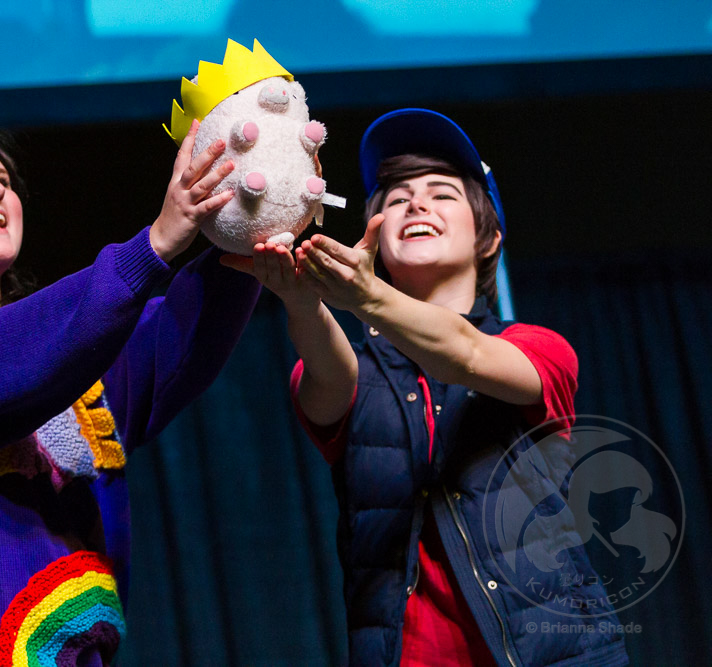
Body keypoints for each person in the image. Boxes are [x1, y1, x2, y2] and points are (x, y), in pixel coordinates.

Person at [0, 122, 260, 666]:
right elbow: (3, 360)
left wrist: (254, 223)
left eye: (3, 180)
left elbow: (177, 334)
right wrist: (152, 246)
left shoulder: (75, 367)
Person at [223, 109, 629, 666]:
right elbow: (329, 374)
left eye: (442, 194)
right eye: (396, 199)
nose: (416, 205)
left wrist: (367, 297)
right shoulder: (352, 367)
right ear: (376, 235)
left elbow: (467, 354)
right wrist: (300, 301)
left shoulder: (540, 348)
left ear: (488, 238)